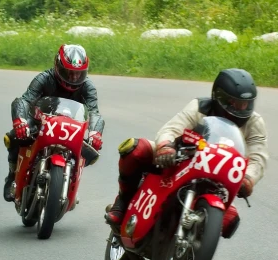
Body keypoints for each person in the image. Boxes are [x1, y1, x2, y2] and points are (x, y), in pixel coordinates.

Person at [104, 68, 268, 238]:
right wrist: (165, 146)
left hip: (219, 176)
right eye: (235, 103)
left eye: (246, 104)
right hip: (179, 157)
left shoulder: (255, 122)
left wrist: (248, 178)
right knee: (136, 149)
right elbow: (172, 128)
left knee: (229, 222)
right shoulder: (200, 107)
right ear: (220, 98)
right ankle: (123, 201)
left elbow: (258, 157)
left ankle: (193, 247)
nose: (242, 109)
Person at [3, 44, 104, 201]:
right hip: (40, 123)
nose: (74, 78)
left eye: (78, 74)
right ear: (58, 66)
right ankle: (11, 175)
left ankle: (71, 181)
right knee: (13, 137)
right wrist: (20, 120)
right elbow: (25, 100)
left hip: (71, 128)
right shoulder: (43, 78)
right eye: (69, 73)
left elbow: (94, 112)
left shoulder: (88, 87)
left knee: (92, 153)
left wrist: (95, 132)